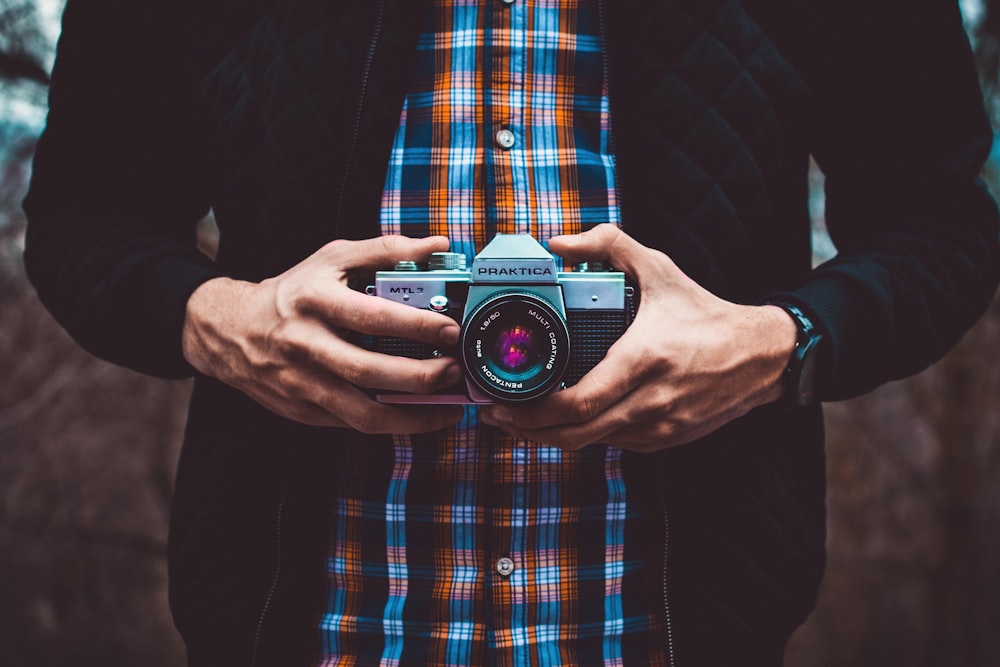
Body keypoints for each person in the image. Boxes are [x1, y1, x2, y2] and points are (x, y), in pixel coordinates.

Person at [22, 0, 1000, 665]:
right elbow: (83, 215)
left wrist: (781, 346)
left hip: (677, 627)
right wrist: (215, 320)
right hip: (308, 624)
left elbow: (942, 220)